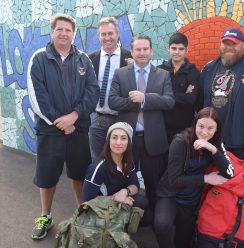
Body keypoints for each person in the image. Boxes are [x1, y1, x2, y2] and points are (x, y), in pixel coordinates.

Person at [27, 13, 99, 240]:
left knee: (79, 173)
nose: (64, 34)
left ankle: (82, 213)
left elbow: (92, 91)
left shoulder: (83, 59)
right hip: (50, 130)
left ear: (73, 33)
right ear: (53, 31)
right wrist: (61, 122)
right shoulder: (39, 58)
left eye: (68, 30)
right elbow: (37, 98)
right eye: (60, 29)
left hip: (77, 128)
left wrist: (75, 116)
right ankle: (45, 216)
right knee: (47, 176)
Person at [108, 35, 175, 211]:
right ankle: (121, 217)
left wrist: (145, 99)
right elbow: (113, 101)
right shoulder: (120, 73)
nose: (142, 53)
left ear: (151, 51)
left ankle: (152, 218)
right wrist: (137, 102)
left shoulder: (163, 75)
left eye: (145, 49)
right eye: (138, 49)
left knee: (153, 183)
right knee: (122, 181)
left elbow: (169, 102)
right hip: (127, 140)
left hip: (152, 140)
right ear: (132, 51)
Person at [154, 107, 234, 248]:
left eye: (210, 128)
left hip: (191, 198)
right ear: (195, 124)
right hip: (171, 194)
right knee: (162, 225)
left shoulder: (215, 142)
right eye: (201, 126)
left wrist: (213, 149)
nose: (204, 132)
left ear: (216, 129)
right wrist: (205, 178)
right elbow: (174, 180)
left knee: (184, 238)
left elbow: (229, 172)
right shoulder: (180, 141)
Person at [197, 27, 244, 161]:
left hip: (238, 143)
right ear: (220, 44)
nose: (229, 47)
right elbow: (199, 103)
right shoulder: (209, 68)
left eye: (234, 44)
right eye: (226, 43)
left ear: (242, 45)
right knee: (209, 178)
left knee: (234, 180)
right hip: (209, 138)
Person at [89, 16, 132, 161]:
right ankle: (99, 185)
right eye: (103, 34)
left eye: (110, 33)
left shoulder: (130, 58)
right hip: (97, 119)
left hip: (121, 118)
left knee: (120, 160)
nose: (107, 38)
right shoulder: (90, 59)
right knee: (97, 160)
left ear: (118, 34)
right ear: (99, 36)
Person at [83, 122, 147, 209]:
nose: (118, 142)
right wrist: (118, 200)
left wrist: (125, 192)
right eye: (114, 137)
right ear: (108, 140)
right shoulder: (97, 168)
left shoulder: (128, 161)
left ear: (129, 142)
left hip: (119, 202)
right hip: (100, 211)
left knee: (143, 202)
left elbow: (135, 185)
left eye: (123, 138)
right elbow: (88, 200)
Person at [158, 32, 199, 144]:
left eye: (181, 49)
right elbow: (155, 97)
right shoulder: (159, 70)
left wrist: (166, 94)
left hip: (184, 129)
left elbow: (191, 99)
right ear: (168, 48)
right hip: (162, 127)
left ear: (187, 49)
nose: (177, 52)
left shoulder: (193, 72)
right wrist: (182, 95)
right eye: (174, 48)